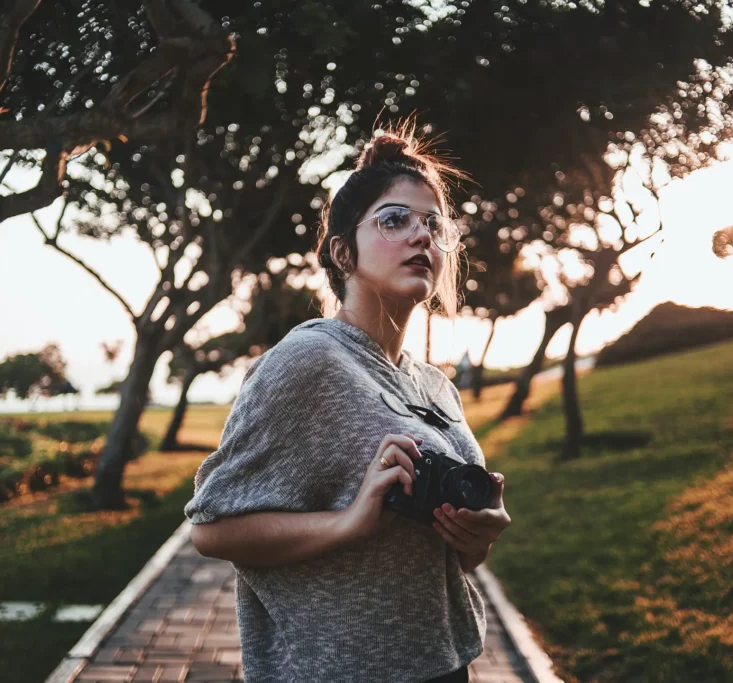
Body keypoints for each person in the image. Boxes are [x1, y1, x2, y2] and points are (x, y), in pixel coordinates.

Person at [185, 126, 512, 683]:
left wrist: (476, 537)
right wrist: (345, 524)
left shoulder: (434, 385)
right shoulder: (309, 359)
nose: (421, 237)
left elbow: (449, 557)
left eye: (433, 225)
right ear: (343, 252)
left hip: (444, 663)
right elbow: (212, 529)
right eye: (394, 220)